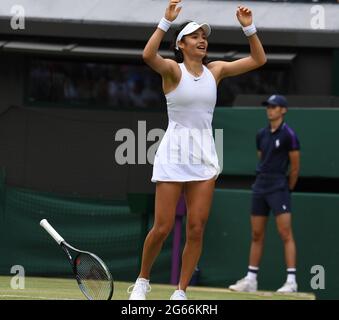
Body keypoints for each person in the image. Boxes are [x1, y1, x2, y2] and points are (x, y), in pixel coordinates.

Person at [128, 0, 266, 300]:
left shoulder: (215, 71)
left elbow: (258, 59)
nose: (202, 40)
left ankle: (181, 291)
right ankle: (142, 280)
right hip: (173, 155)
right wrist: (165, 21)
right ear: (181, 44)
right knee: (162, 227)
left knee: (196, 228)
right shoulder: (171, 71)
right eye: (194, 36)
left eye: (204, 36)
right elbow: (147, 55)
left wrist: (248, 28)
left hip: (204, 157)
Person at [229, 94, 300, 293]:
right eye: (268, 106)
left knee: (285, 233)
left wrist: (287, 187)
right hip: (260, 186)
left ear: (283, 110)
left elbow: (295, 168)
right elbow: (262, 158)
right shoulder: (261, 134)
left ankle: (291, 282)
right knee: (256, 234)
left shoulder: (289, 135)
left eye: (274, 107)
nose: (270, 110)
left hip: (279, 187)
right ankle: (251, 280)